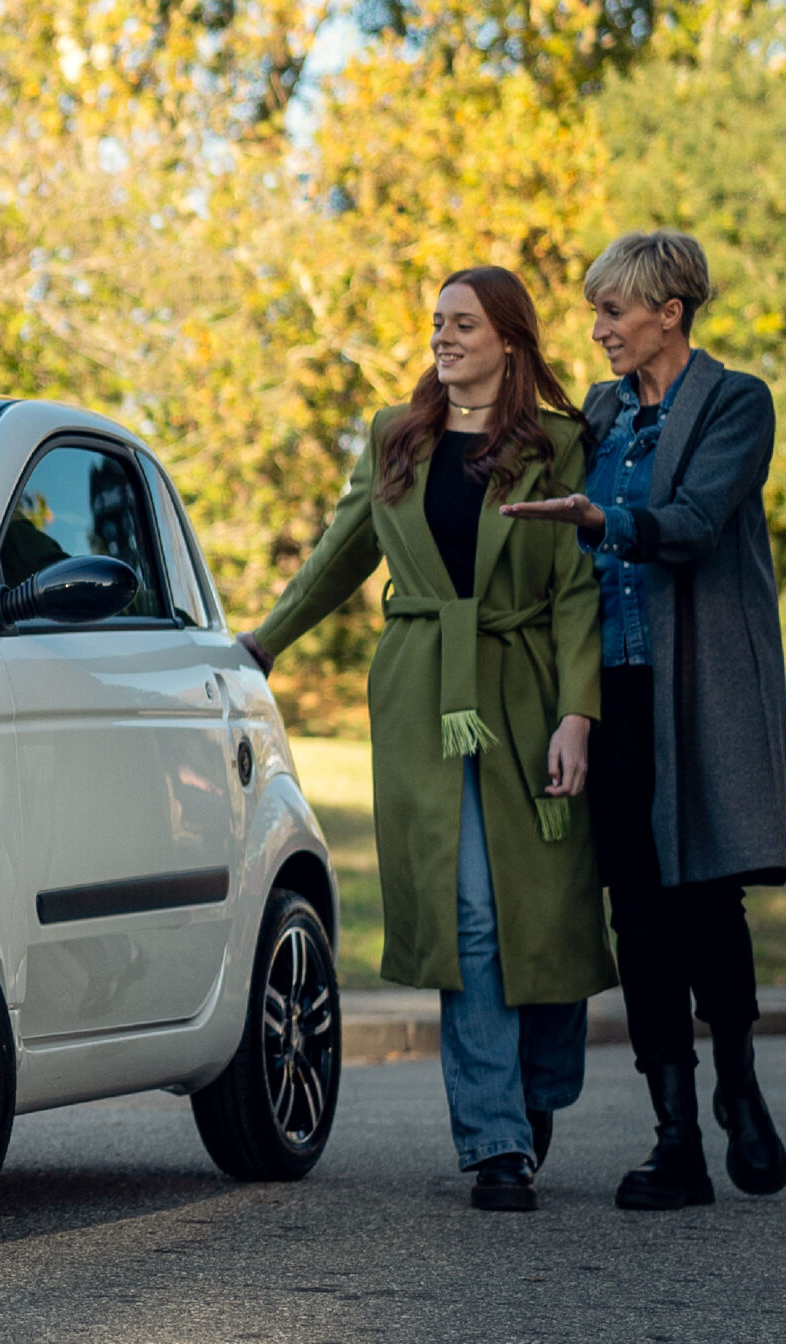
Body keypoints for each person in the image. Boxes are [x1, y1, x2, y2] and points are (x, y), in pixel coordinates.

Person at [239, 268, 610, 1212]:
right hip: (421, 697)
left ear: (511, 341)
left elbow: (574, 589)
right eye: (437, 323)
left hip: (525, 688)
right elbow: (342, 550)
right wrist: (266, 641)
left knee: (548, 908)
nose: (443, 338)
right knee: (472, 914)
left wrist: (578, 713)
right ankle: (495, 1141)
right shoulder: (394, 437)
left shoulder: (560, 443)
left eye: (463, 324)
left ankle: (536, 1093)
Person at [502, 230, 786, 1211]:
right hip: (616, 688)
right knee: (638, 909)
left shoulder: (734, 402)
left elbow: (699, 524)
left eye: (613, 312)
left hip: (699, 680)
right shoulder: (599, 412)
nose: (598, 331)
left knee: (706, 895)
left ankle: (737, 1087)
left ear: (668, 311)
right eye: (594, 313)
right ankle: (675, 1136)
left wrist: (599, 521)